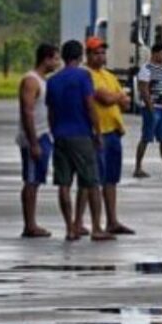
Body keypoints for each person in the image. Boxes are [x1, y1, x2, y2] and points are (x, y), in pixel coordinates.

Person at [46, 40, 113, 242]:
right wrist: (98, 133)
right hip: (81, 135)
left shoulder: (53, 80)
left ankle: (70, 228)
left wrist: (54, 131)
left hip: (60, 135)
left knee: (64, 184)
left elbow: (51, 111)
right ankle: (96, 228)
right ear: (80, 57)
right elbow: (89, 106)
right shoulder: (83, 77)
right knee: (91, 182)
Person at [82, 36, 135, 236]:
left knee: (111, 179)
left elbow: (125, 102)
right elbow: (104, 98)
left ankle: (112, 220)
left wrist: (118, 98)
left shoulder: (109, 75)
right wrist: (118, 97)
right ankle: (88, 221)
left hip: (114, 131)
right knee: (94, 179)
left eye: (103, 52)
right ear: (88, 55)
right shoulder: (87, 75)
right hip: (98, 133)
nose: (101, 56)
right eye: (96, 53)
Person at [16, 43, 60, 238]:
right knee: (31, 180)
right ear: (46, 59)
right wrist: (33, 142)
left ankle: (32, 223)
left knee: (37, 180)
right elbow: (28, 111)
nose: (58, 62)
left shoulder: (44, 81)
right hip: (35, 136)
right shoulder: (31, 81)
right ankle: (30, 224)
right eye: (55, 58)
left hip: (45, 135)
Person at [135, 43, 162, 180]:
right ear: (154, 54)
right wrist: (150, 106)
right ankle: (138, 167)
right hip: (152, 109)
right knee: (146, 138)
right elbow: (143, 89)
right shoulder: (146, 69)